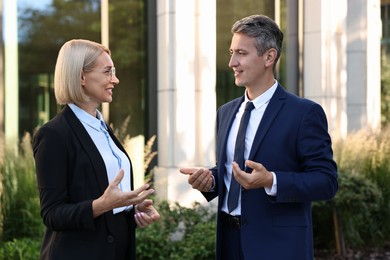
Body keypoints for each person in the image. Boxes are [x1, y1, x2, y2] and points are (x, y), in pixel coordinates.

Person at [180, 14, 338, 260]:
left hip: (279, 247)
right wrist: (210, 180)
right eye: (231, 52)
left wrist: (271, 181)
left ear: (269, 57)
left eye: (241, 53)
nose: (232, 62)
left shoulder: (304, 113)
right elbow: (234, 170)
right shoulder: (226, 112)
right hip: (229, 242)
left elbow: (326, 181)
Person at [33, 39, 160, 260]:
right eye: (108, 72)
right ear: (81, 77)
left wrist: (131, 209)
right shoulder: (54, 135)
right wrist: (101, 205)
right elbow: (52, 214)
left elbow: (103, 196)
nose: (115, 79)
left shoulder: (103, 129)